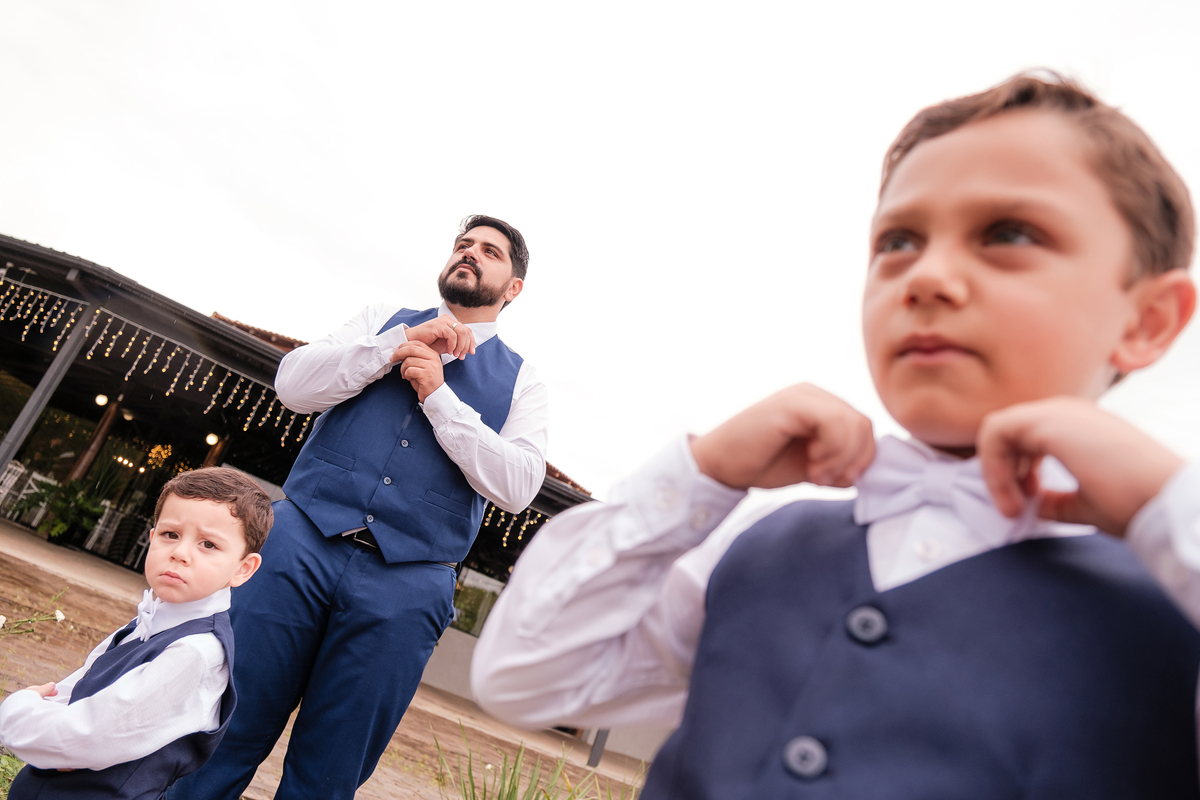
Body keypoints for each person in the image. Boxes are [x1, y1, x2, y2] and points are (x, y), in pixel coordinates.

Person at [471, 76, 1200, 798]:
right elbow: (520, 677)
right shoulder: (758, 542)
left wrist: (1166, 500)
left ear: (1147, 322)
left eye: (1009, 234)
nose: (928, 276)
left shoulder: (1173, 601)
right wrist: (702, 473)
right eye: (899, 241)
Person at [170, 215, 548, 800]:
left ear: (513, 286)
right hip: (298, 545)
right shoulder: (380, 321)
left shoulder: (523, 384)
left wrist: (441, 400)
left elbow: (519, 486)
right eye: (463, 244)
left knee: (329, 770)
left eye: (490, 252)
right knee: (221, 723)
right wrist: (392, 350)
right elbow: (293, 384)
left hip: (408, 584)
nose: (470, 253)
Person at [0, 467, 271, 800]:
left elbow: (84, 737)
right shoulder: (149, 620)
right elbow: (70, 694)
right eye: (170, 534)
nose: (180, 553)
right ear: (152, 535)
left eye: (208, 544)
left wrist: (18, 709)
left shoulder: (197, 652)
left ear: (243, 568)